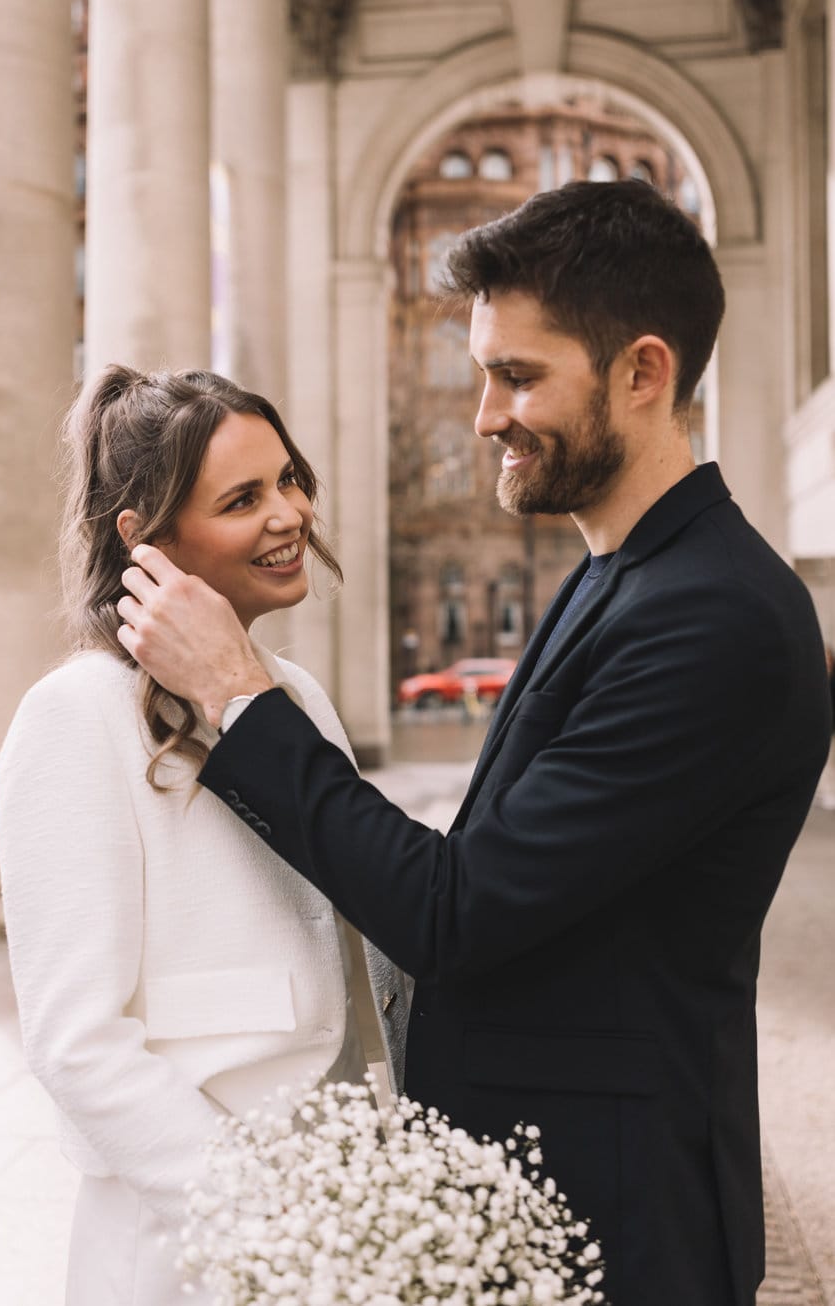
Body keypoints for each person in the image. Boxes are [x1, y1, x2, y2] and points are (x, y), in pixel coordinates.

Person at [116, 182, 833, 1306]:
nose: (485, 416)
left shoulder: (715, 616)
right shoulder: (621, 573)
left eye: (517, 376)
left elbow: (457, 911)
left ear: (643, 372)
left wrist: (240, 696)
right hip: (536, 1198)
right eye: (483, 375)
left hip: (619, 1224)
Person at [0, 365, 408, 1306]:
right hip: (181, 1246)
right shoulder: (75, 716)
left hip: (339, 1222)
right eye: (243, 498)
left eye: (290, 480)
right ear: (145, 539)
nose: (289, 513)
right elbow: (75, 1044)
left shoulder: (295, 696)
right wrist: (264, 1222)